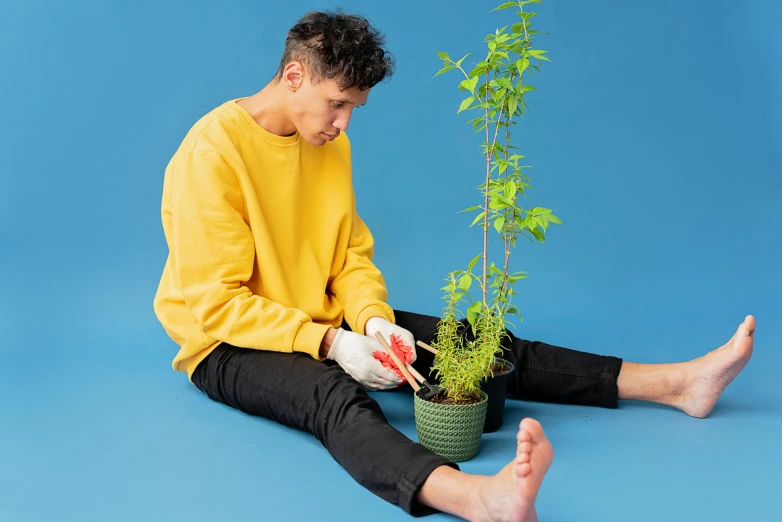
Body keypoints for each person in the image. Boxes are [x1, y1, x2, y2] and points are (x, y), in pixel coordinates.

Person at [152, 10, 755, 522]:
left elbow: (348, 254)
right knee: (331, 395)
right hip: (225, 346)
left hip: (321, 319)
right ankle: (476, 498)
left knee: (474, 343)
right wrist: (331, 343)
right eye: (337, 103)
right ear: (293, 76)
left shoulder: (328, 144)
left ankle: (675, 385)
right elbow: (216, 303)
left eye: (355, 108)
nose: (344, 122)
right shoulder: (213, 153)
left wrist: (372, 320)